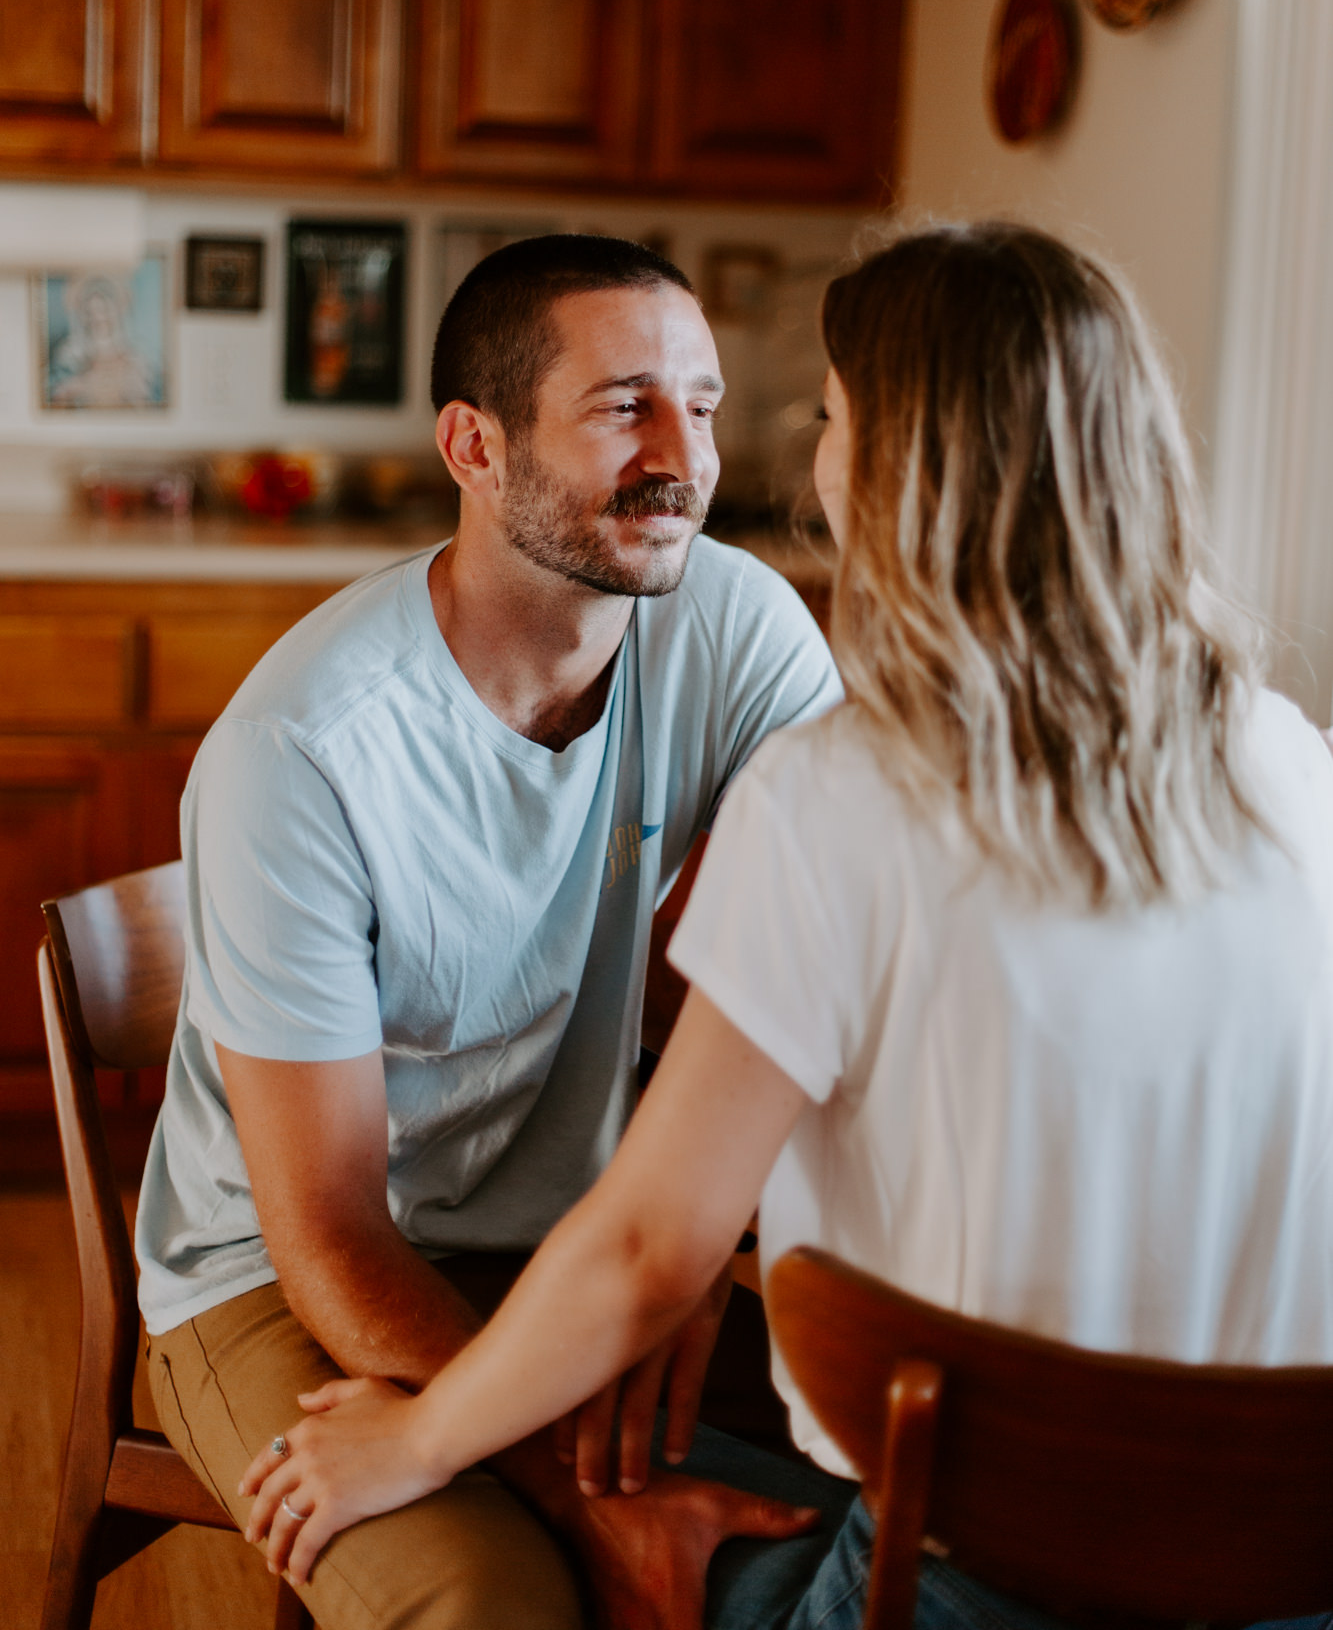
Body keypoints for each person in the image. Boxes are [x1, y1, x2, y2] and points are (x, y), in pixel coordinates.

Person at [240, 221, 1333, 1630]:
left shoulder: (845, 793)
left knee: (634, 1548)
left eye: (830, 415)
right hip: (1294, 1566)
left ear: (897, 466)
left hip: (964, 1579)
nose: (714, 455)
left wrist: (418, 1438)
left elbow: (643, 1251)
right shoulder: (1294, 767)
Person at [135, 233, 842, 1630]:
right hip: (279, 1276)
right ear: (474, 443)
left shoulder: (736, 628)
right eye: (621, 403)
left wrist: (697, 1246)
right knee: (494, 1601)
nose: (681, 456)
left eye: (697, 404)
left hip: (584, 1232)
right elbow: (329, 1237)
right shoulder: (308, 750)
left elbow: (847, 949)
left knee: (892, 1517)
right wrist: (590, 1499)